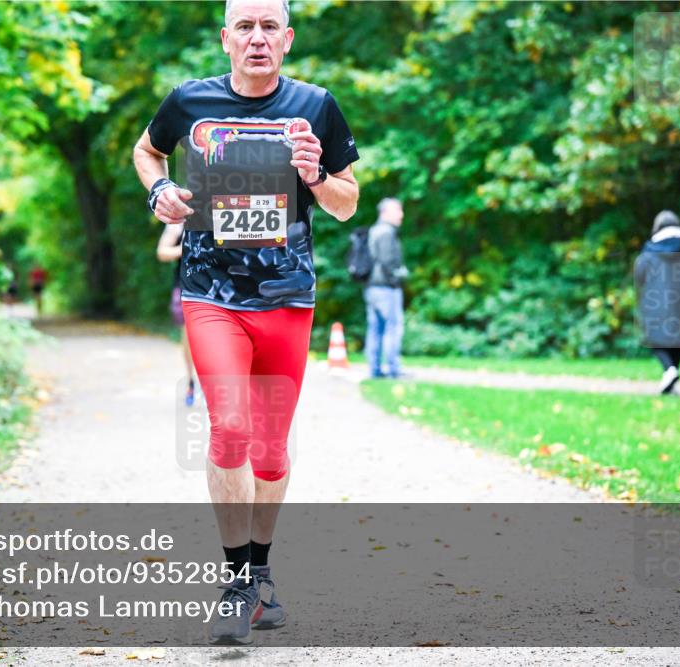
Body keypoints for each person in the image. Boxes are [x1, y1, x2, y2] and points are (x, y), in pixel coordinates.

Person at [132, 0, 359, 644]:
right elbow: (147, 152)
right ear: (225, 38)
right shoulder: (188, 101)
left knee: (270, 450)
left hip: (288, 298)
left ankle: (261, 571)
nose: (256, 38)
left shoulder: (317, 106)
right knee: (228, 427)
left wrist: (316, 176)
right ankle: (235, 582)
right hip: (210, 294)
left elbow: (346, 204)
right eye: (245, 27)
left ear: (286, 40)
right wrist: (159, 191)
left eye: (269, 28)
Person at [634, 210, 680, 394]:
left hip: (656, 302)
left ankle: (669, 370)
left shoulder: (649, 252)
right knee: (678, 339)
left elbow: (639, 276)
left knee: (656, 338)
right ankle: (672, 374)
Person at [364, 197, 409, 379]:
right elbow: (388, 262)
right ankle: (393, 369)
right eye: (397, 210)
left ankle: (374, 369)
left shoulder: (374, 230)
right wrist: (398, 277)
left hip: (372, 288)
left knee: (375, 328)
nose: (401, 214)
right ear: (385, 212)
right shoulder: (386, 232)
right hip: (386, 288)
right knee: (393, 327)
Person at [156, 223, 198, 406]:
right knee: (189, 335)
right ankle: (191, 380)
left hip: (221, 286)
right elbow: (162, 251)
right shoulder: (180, 220)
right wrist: (186, 248)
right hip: (186, 285)